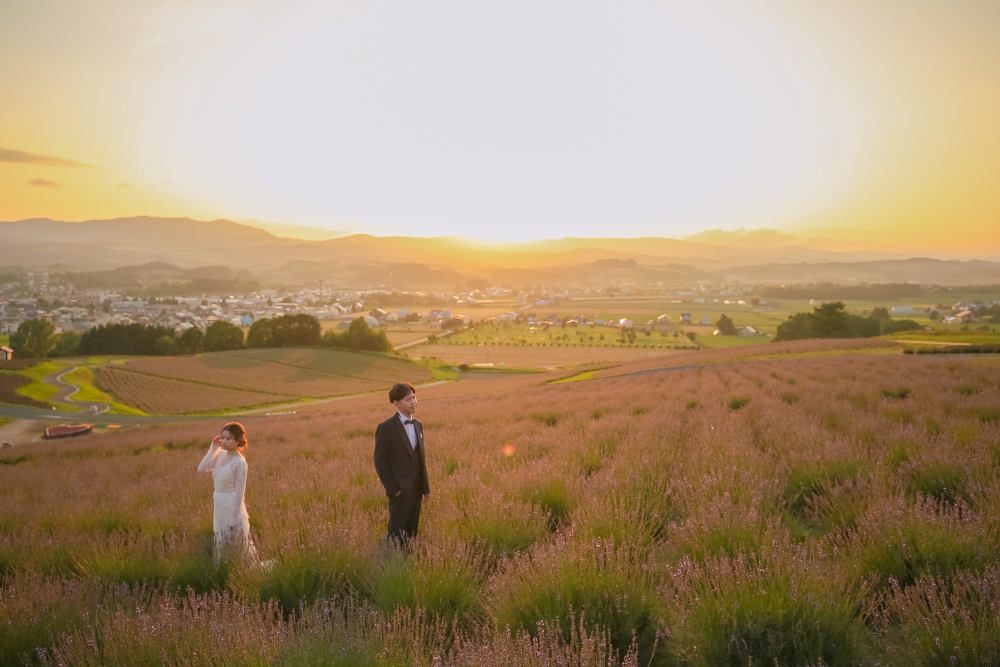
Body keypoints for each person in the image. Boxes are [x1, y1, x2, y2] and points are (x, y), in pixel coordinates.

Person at [374, 382, 430, 544]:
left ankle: (408, 562)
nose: (413, 402)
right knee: (396, 533)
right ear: (396, 404)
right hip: (399, 491)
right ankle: (392, 564)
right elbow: (380, 461)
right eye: (408, 399)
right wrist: (394, 490)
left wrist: (425, 487)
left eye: (414, 397)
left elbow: (421, 459)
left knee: (412, 533)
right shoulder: (386, 428)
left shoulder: (418, 425)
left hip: (417, 489)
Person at [197, 422, 257, 563]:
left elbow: (240, 493)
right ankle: (223, 569)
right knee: (221, 540)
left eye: (228, 438)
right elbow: (202, 468)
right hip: (219, 503)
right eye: (222, 437)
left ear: (238, 440)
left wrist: (234, 518)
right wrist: (213, 448)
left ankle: (241, 570)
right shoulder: (220, 454)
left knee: (236, 543)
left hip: (232, 506)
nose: (224, 441)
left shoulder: (240, 463)